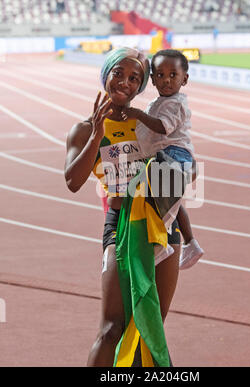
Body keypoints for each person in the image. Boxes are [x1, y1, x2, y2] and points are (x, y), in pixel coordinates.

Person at [64, 47, 181, 367]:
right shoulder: (84, 129)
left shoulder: (150, 126)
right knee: (112, 328)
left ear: (142, 86)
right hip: (121, 225)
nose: (125, 83)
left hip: (162, 224)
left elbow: (182, 173)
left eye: (135, 78)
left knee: (149, 328)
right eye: (119, 73)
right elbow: (73, 181)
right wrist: (97, 136)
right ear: (106, 75)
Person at [121, 49, 204, 270]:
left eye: (173, 75)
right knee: (172, 204)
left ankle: (162, 245)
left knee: (153, 197)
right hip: (164, 156)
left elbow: (161, 127)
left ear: (184, 79)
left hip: (174, 155)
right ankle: (191, 243)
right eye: (160, 75)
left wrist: (137, 115)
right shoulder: (158, 103)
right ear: (152, 80)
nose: (166, 80)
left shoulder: (175, 103)